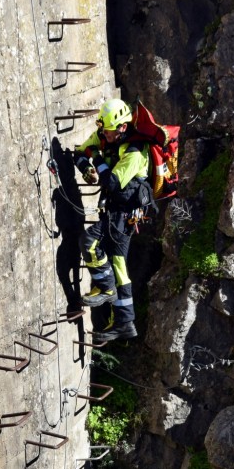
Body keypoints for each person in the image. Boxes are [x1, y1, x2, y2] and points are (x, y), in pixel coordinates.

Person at [71, 98, 156, 342]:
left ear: (121, 127)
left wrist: (96, 158)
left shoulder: (135, 151)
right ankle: (124, 322)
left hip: (126, 213)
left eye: (108, 131)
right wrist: (86, 168)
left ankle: (106, 288)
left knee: (91, 242)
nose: (104, 135)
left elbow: (112, 183)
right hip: (114, 210)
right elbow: (81, 151)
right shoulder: (105, 135)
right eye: (103, 131)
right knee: (118, 263)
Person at [48, 136, 85, 317]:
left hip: (72, 232)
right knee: (67, 270)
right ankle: (74, 302)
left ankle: (74, 302)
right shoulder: (69, 188)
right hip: (73, 232)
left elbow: (66, 193)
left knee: (64, 270)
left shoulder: (69, 188)